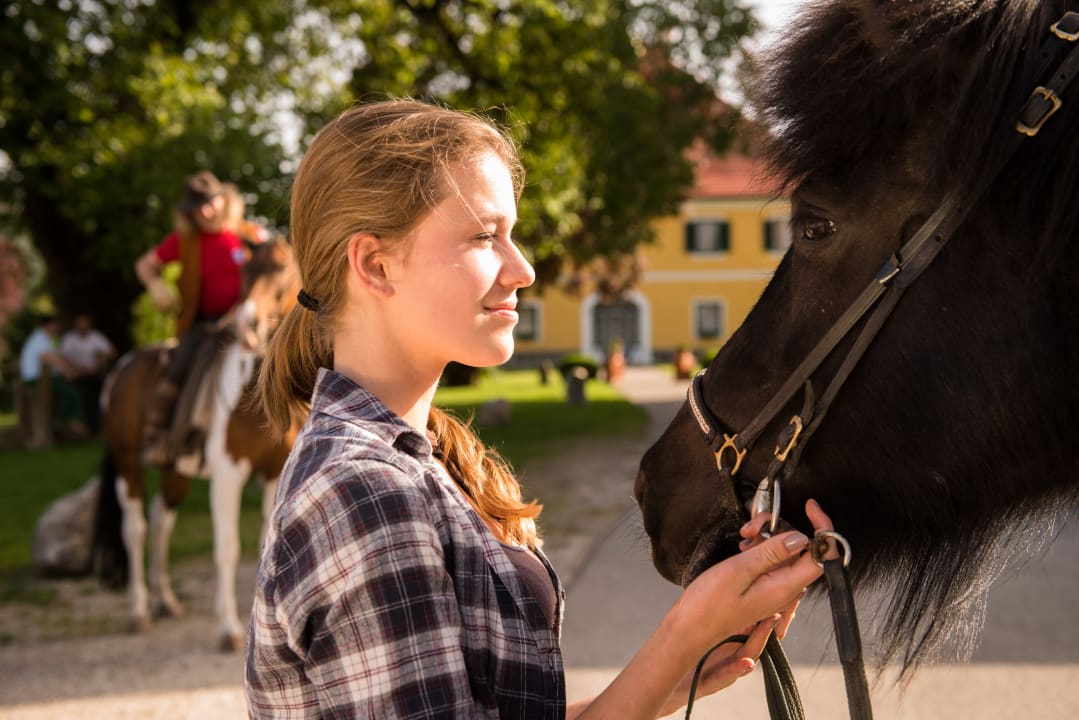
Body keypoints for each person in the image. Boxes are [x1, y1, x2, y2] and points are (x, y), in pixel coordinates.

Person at [246, 99, 834, 719]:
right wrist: (681, 635)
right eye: (483, 236)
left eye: (512, 234)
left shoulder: (421, 462)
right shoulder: (365, 493)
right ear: (375, 263)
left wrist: (678, 670)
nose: (522, 269)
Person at [134, 170, 246, 464]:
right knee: (179, 367)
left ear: (224, 199)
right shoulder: (184, 242)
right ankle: (160, 437)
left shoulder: (247, 236)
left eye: (212, 202)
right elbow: (145, 265)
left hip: (246, 323)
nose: (207, 211)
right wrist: (155, 284)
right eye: (199, 207)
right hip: (203, 325)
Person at [19, 314, 87, 439]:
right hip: (37, 380)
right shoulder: (39, 339)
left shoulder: (45, 339)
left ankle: (68, 421)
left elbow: (57, 357)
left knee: (72, 389)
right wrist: (67, 370)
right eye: (55, 326)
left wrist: (70, 368)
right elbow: (48, 358)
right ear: (49, 326)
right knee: (70, 392)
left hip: (45, 379)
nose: (57, 329)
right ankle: (69, 421)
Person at [59, 313, 115, 434]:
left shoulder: (96, 337)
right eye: (80, 325)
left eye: (85, 325)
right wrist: (75, 368)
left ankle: (96, 427)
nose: (82, 327)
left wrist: (100, 359)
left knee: (97, 397)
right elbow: (63, 356)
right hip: (76, 375)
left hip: (92, 375)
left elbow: (111, 351)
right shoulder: (70, 339)